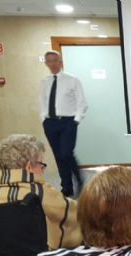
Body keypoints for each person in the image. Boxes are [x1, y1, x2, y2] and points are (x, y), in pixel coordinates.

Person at [0, 134, 81, 250]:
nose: (42, 171)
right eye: (41, 164)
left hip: (2, 254)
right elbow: (74, 212)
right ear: (29, 167)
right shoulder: (38, 192)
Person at [40, 50, 87, 197]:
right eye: (49, 61)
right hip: (50, 123)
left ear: (60, 62)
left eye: (55, 60)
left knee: (66, 153)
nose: (52, 64)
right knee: (58, 156)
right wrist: (43, 119)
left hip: (68, 122)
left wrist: (76, 121)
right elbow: (42, 102)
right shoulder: (45, 82)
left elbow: (82, 103)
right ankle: (66, 187)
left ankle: (79, 180)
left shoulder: (72, 80)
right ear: (46, 63)